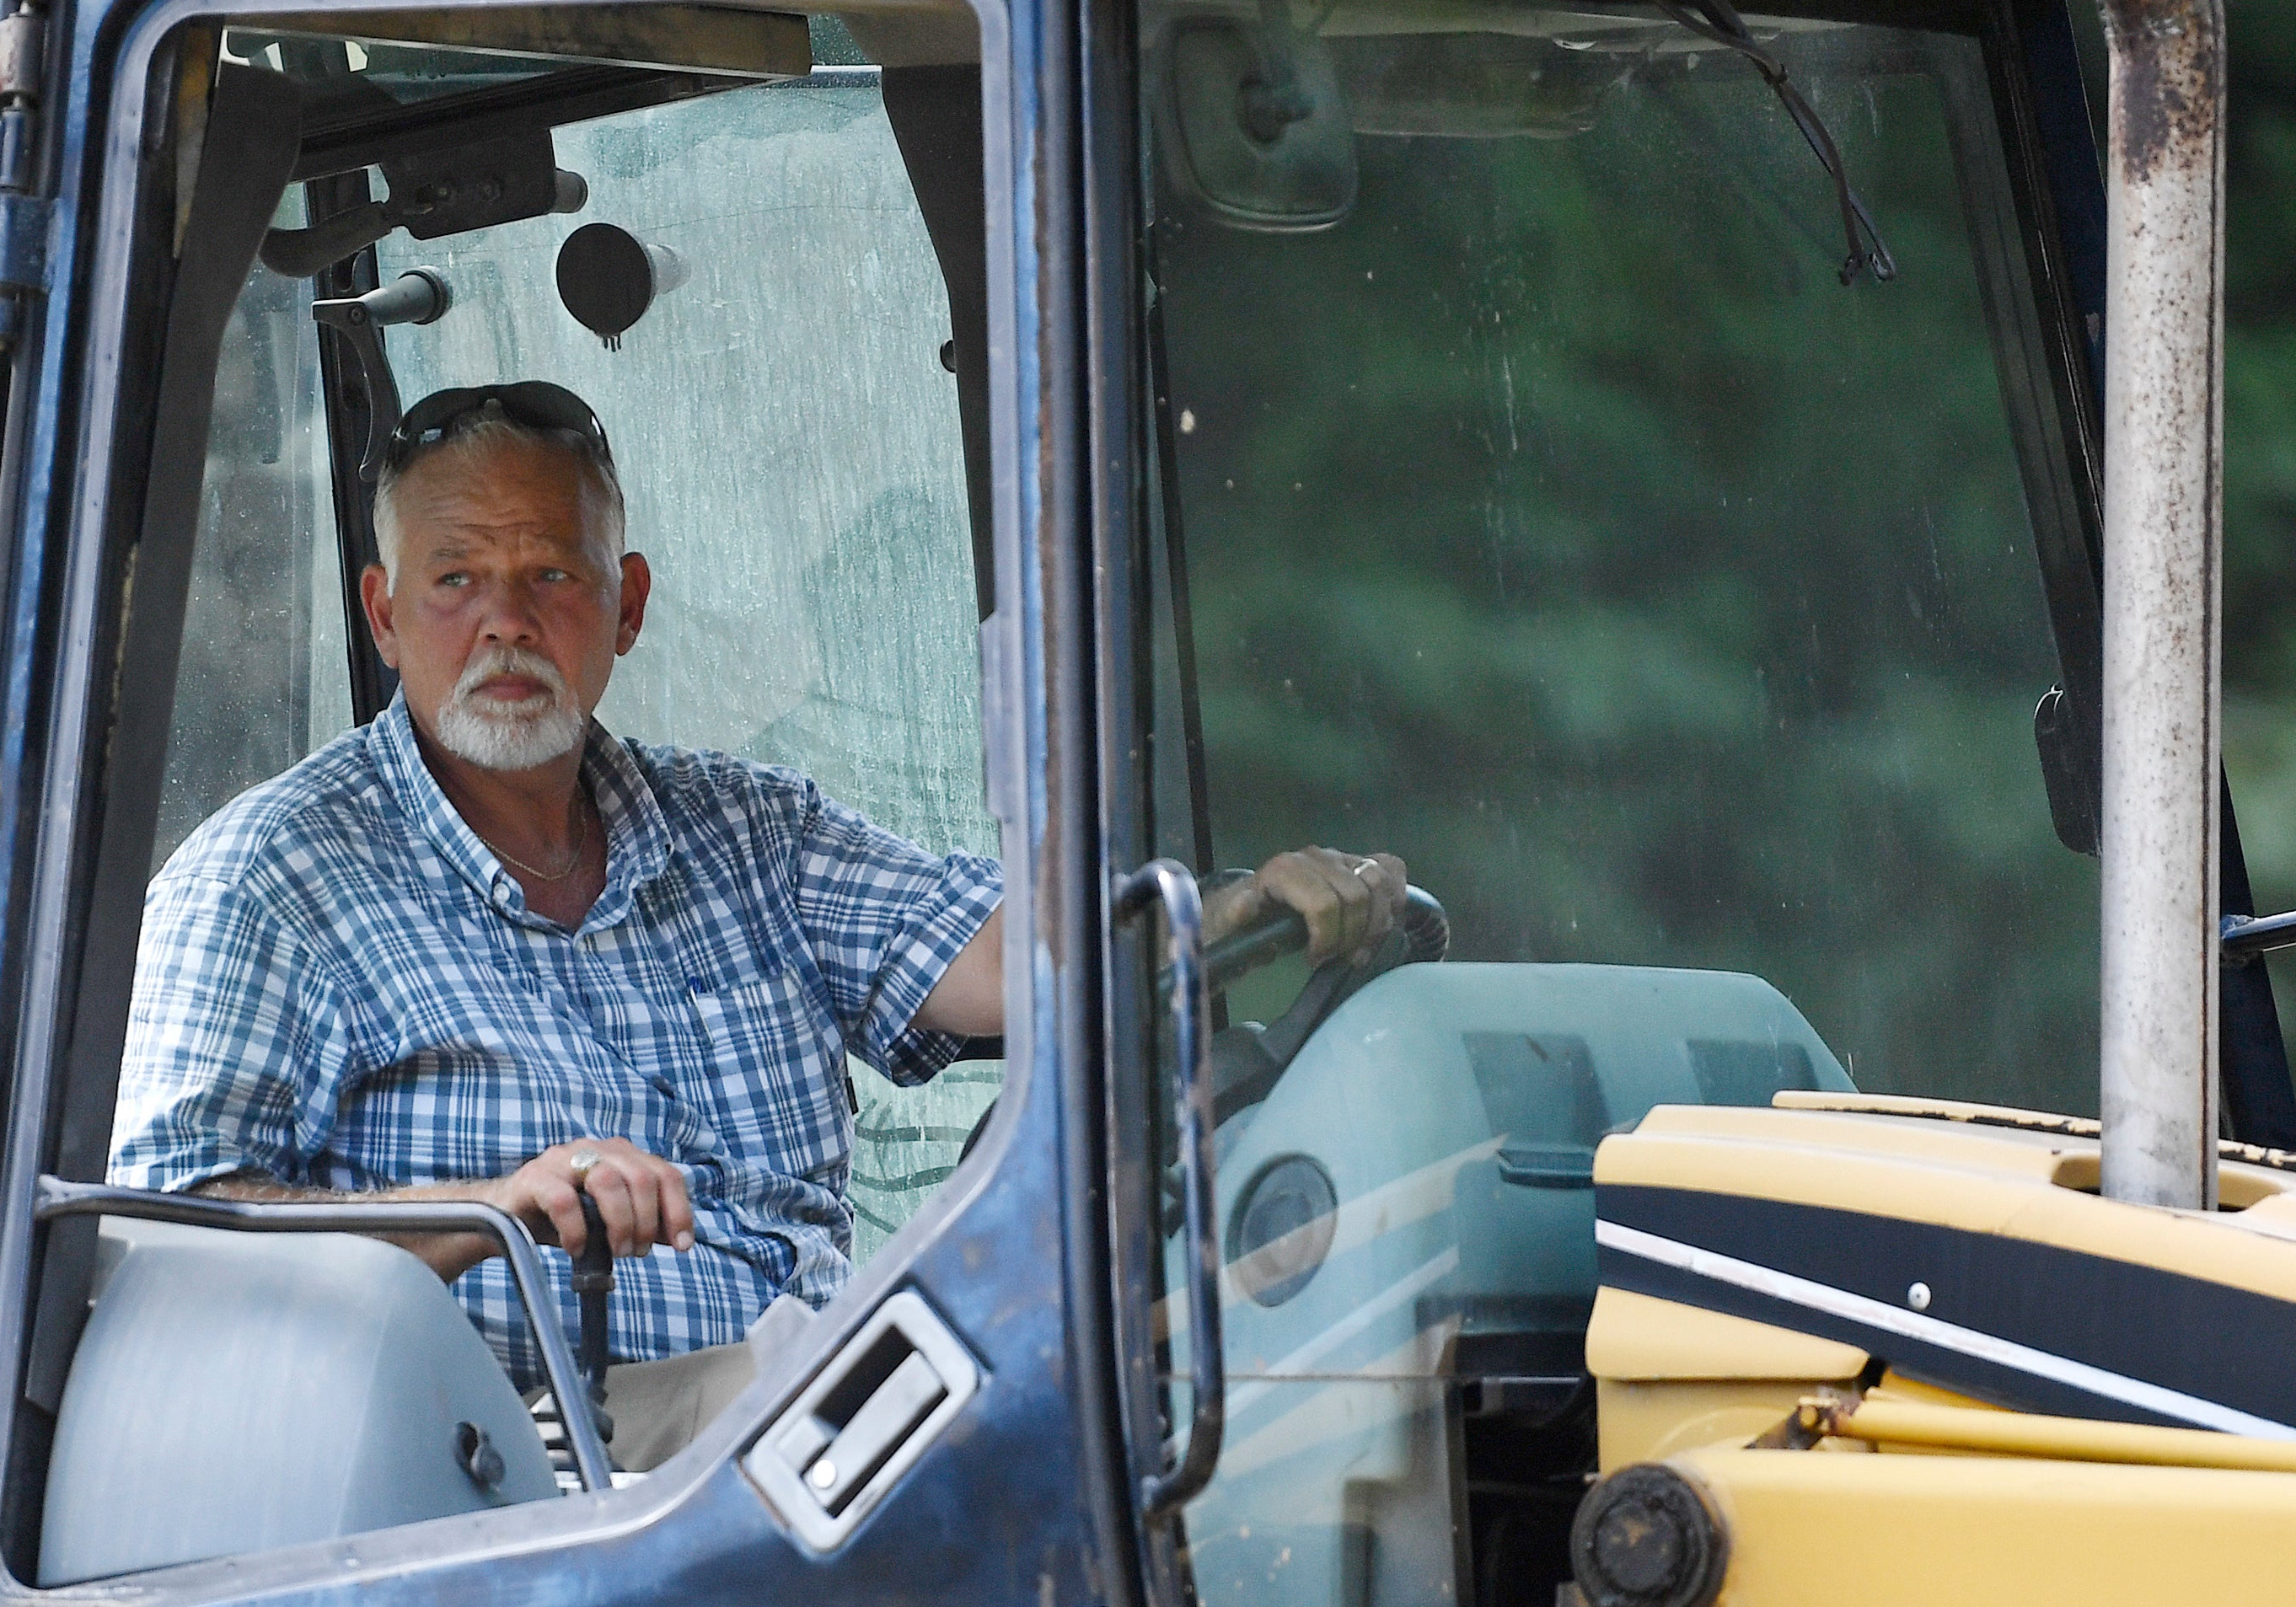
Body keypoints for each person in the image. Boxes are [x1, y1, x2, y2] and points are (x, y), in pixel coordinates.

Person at [110, 381, 1403, 1463]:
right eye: (456, 579)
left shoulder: (743, 831)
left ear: (626, 605)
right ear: (384, 616)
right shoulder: (269, 881)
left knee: (1271, 1406)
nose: (505, 620)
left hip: (815, 1426)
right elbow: (165, 1244)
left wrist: (1235, 912)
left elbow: (1018, 961)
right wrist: (498, 1206)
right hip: (508, 1478)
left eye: (549, 573)